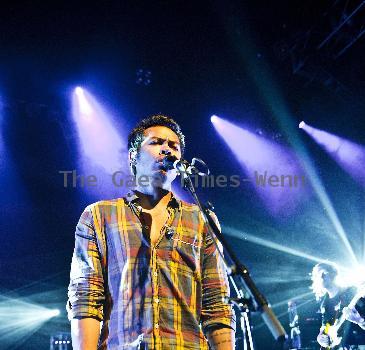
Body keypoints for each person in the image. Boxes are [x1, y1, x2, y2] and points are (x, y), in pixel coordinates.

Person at [67, 114, 236, 349]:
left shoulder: (201, 220)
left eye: (173, 146)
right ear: (133, 156)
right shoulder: (98, 216)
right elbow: (86, 300)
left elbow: (217, 305)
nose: (167, 150)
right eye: (156, 142)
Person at [311, 262, 365, 349]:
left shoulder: (353, 292)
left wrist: (360, 321)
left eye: (324, 273)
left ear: (333, 273)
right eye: (317, 275)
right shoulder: (324, 303)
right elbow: (326, 326)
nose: (321, 277)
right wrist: (321, 337)